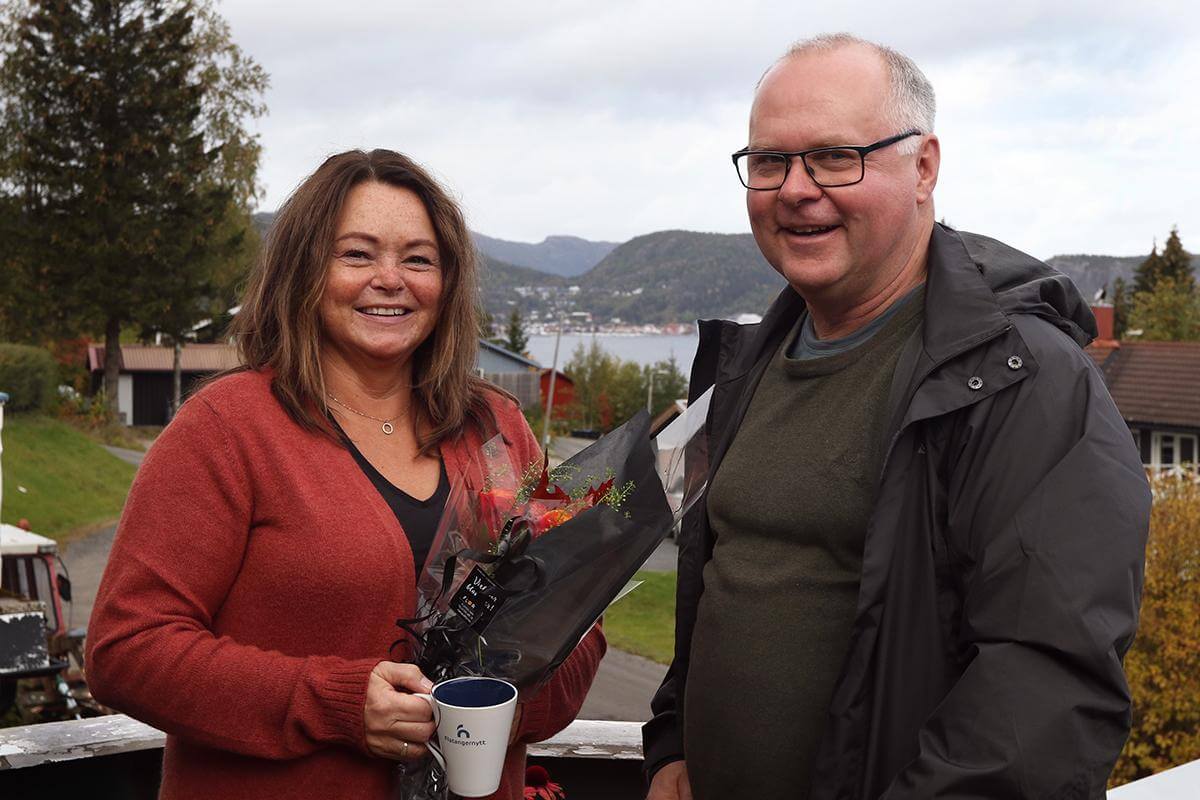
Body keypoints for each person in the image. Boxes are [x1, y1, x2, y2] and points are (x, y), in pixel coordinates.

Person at [644, 34, 1150, 800]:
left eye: (836, 156)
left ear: (924, 167)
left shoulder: (1024, 378)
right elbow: (716, 586)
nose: (796, 189)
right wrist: (674, 745)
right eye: (770, 161)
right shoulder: (747, 362)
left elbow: (1046, 690)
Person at [85, 149, 605, 800]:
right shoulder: (226, 430)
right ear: (305, 271)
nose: (390, 279)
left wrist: (502, 708)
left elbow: (579, 619)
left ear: (446, 283)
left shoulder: (496, 428)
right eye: (357, 255)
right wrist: (335, 703)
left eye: (417, 259)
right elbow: (127, 650)